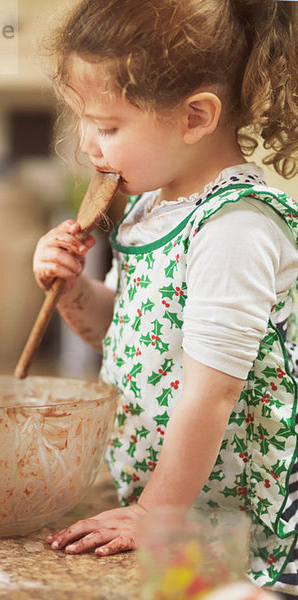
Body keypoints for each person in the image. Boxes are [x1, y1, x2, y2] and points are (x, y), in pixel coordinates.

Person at [33, 0, 298, 595]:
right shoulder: (152, 207)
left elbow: (214, 391)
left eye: (108, 127)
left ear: (196, 116)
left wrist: (158, 512)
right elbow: (129, 334)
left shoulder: (234, 228)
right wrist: (75, 292)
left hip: (245, 523)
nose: (88, 146)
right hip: (177, 510)